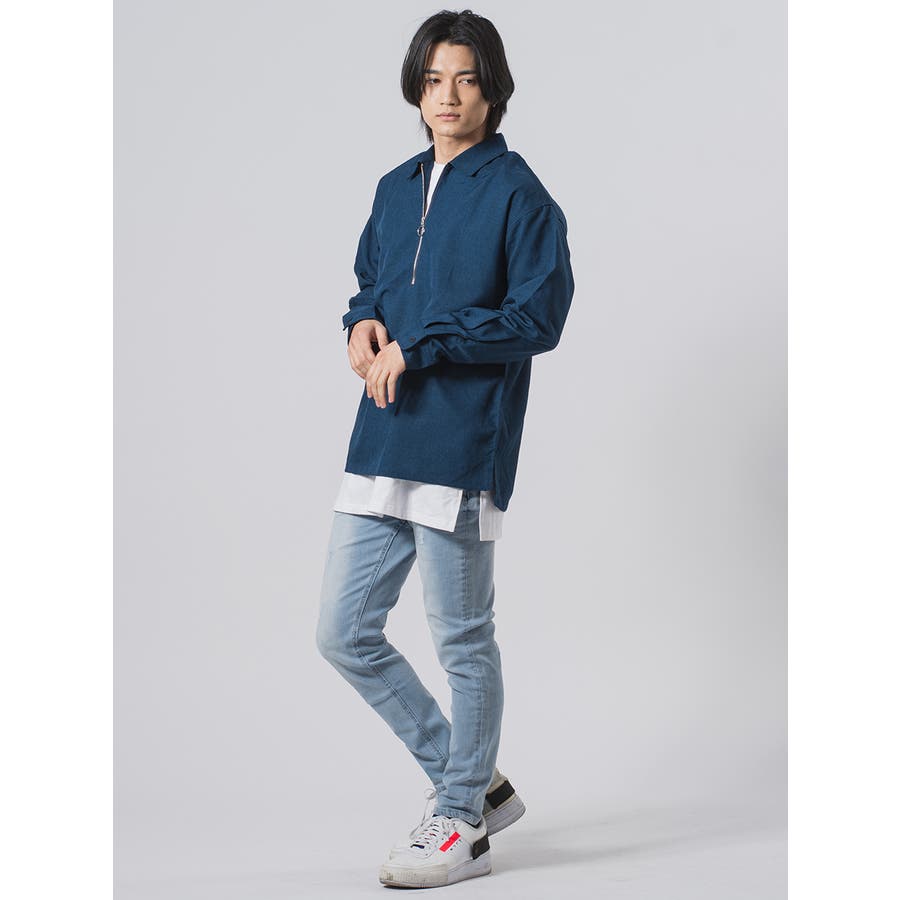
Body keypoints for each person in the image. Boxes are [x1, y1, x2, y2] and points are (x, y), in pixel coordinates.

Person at [316, 8, 575, 889]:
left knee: (462, 639)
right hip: (384, 429)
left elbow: (537, 319)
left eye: (465, 79)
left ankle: (462, 819)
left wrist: (423, 343)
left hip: (462, 437)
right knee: (344, 632)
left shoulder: (521, 195)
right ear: (416, 89)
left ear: (492, 88)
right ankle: (474, 782)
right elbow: (371, 281)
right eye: (433, 80)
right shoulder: (395, 186)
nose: (448, 97)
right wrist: (362, 322)